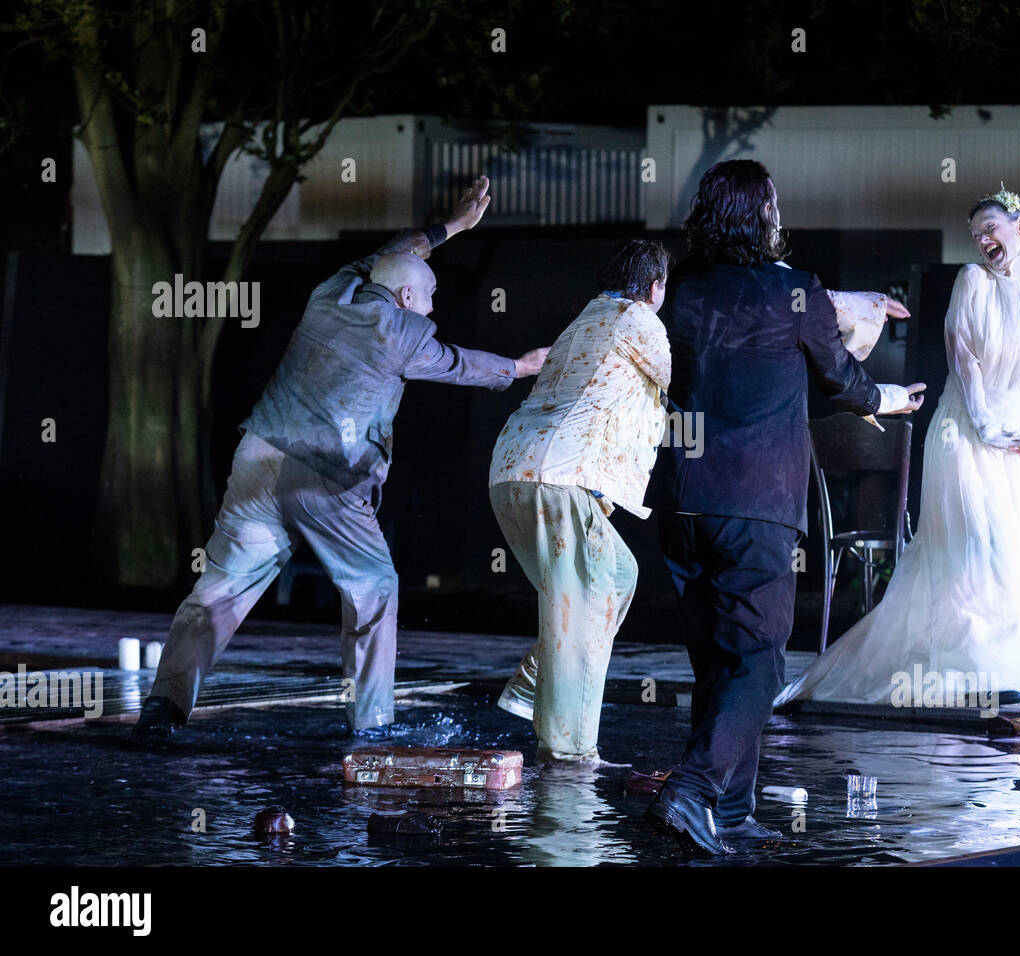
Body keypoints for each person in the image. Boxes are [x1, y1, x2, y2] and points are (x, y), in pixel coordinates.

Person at [131, 176, 550, 745]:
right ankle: (371, 727)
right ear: (407, 300)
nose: (433, 307)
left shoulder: (333, 290)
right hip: (324, 476)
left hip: (258, 457)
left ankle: (164, 707)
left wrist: (451, 226)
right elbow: (457, 364)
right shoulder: (401, 330)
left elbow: (396, 252)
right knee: (374, 587)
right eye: (429, 298)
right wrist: (521, 368)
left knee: (220, 590)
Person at [643, 160, 924, 855]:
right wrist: (887, 398)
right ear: (763, 213)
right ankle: (692, 791)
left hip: (681, 499)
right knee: (761, 662)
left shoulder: (679, 290)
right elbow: (839, 373)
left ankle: (730, 812)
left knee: (719, 662)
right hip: (756, 500)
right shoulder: (792, 291)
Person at [776, 184, 1020, 712]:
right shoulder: (972, 281)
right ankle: (964, 672)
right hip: (965, 432)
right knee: (969, 549)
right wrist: (985, 428)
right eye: (976, 233)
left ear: (1019, 226)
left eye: (991, 228)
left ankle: (1000, 671)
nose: (983, 239)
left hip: (1019, 445)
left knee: (1011, 559)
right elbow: (964, 360)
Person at [488, 239, 671, 764]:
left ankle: (531, 687)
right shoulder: (638, 319)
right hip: (557, 480)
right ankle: (569, 754)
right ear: (655, 288)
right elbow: (684, 378)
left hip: (512, 473)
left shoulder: (582, 322)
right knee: (581, 608)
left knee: (616, 576)